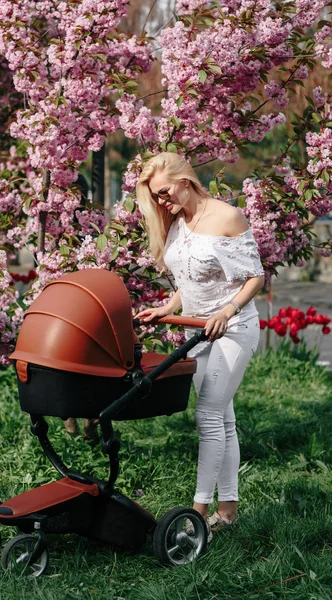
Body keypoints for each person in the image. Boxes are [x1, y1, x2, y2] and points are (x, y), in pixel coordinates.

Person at [135, 152, 264, 536]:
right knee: (223, 418)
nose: (161, 202)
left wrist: (227, 310)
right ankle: (228, 513)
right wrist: (166, 307)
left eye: (163, 192)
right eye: (155, 197)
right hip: (196, 330)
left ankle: (195, 516)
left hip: (234, 327)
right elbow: (187, 282)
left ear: (185, 180)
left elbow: (255, 277)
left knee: (207, 415)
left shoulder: (228, 217)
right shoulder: (177, 223)